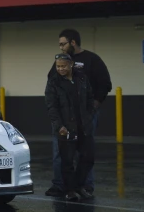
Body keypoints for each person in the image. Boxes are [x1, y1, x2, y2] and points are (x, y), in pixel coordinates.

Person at [45, 29, 111, 197]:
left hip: (85, 117)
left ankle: (85, 185)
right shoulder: (60, 63)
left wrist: (93, 107)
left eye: (63, 44)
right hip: (64, 117)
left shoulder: (92, 60)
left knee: (85, 154)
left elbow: (104, 84)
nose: (60, 48)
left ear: (72, 42)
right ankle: (61, 185)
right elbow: (51, 85)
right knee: (61, 153)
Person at [45, 54, 96, 202]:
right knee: (67, 161)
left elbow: (90, 98)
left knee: (88, 157)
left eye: (63, 66)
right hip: (65, 128)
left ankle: (79, 185)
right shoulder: (53, 82)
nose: (60, 69)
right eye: (58, 66)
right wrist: (59, 125)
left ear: (71, 64)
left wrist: (89, 116)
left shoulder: (82, 78)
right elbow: (51, 107)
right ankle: (70, 190)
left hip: (84, 126)